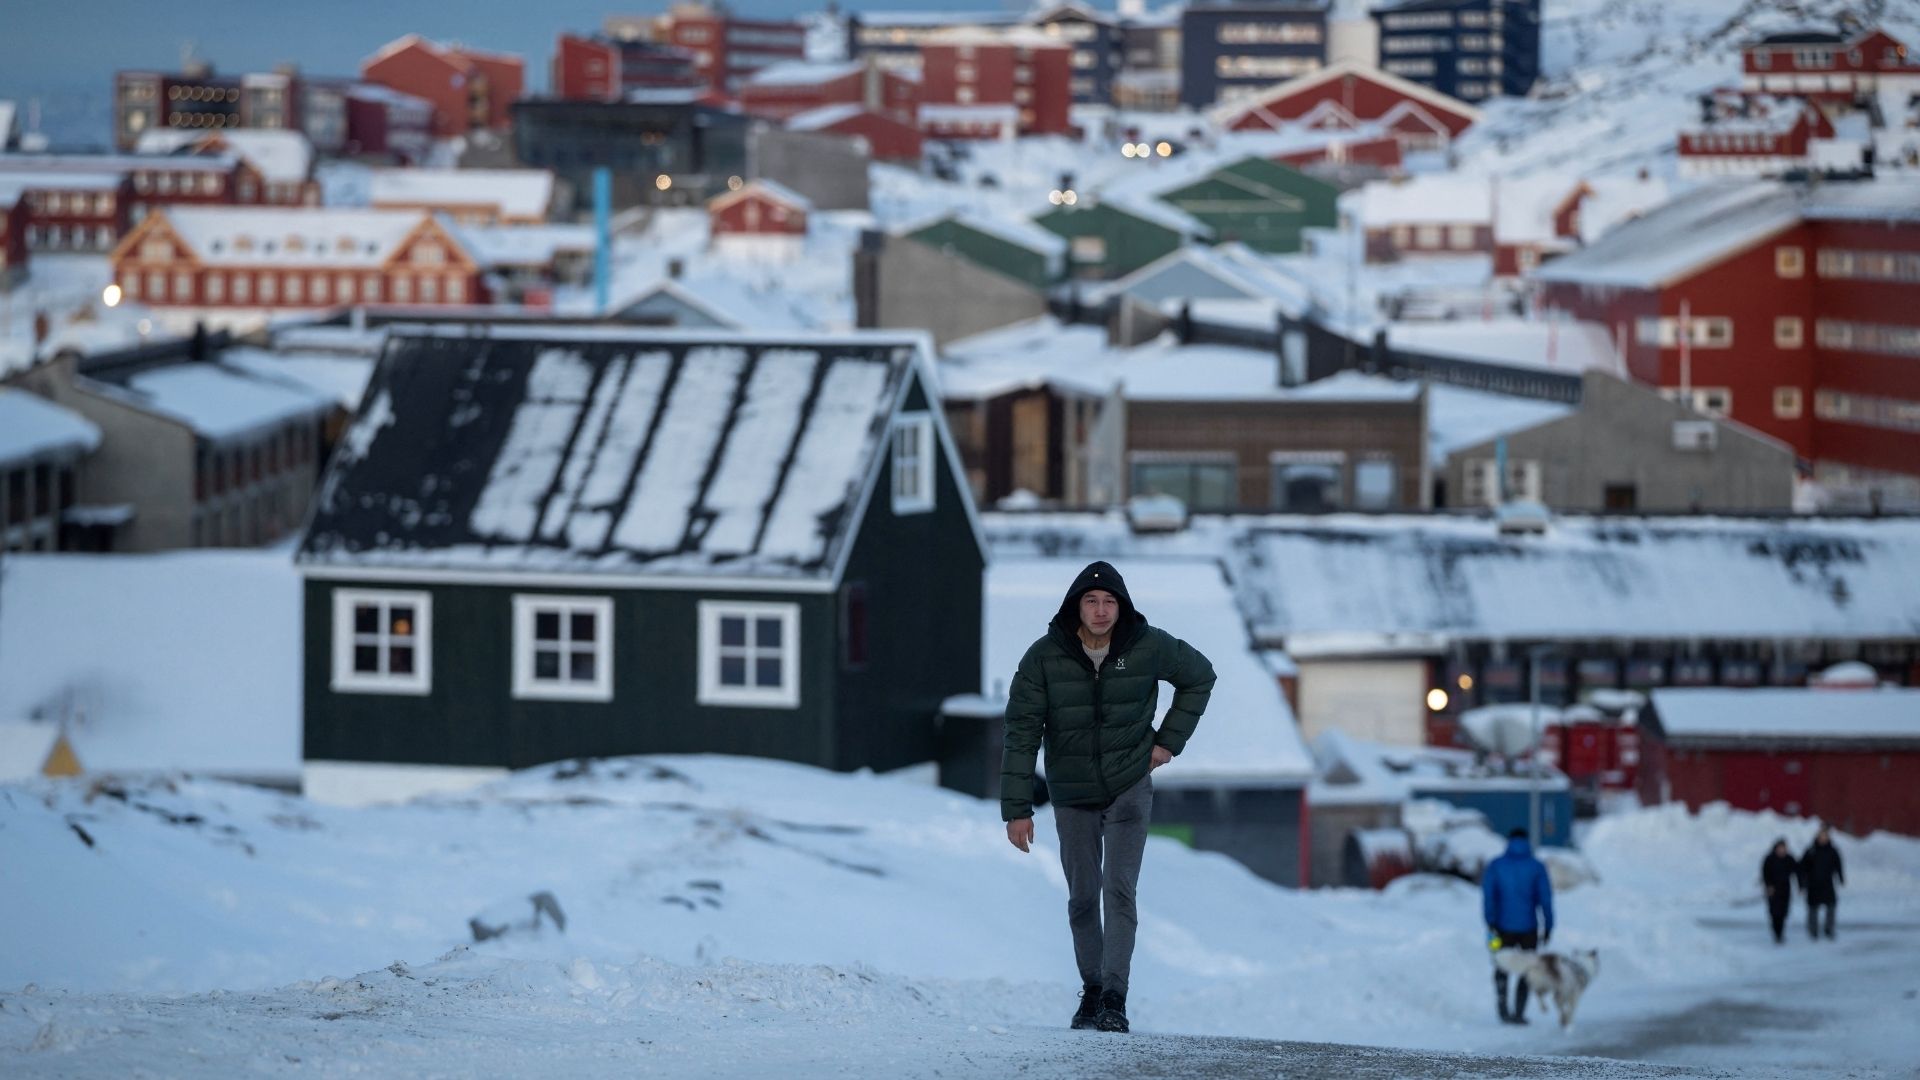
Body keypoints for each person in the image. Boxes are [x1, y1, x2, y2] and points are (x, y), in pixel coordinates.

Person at [1000, 560, 1216, 1035]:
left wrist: (1166, 743)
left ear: (1122, 606)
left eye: (1110, 602)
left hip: (1129, 786)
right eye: (1092, 601)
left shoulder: (1148, 645)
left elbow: (1200, 676)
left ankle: (1115, 998)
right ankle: (1092, 989)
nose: (1101, 611)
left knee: (1119, 892)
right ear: (1076, 605)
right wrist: (1017, 809)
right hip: (1072, 791)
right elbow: (1020, 733)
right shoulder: (1043, 657)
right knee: (1082, 897)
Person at [1482, 827, 1555, 1025]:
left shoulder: (1496, 865)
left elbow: (1489, 896)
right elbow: (1546, 900)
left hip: (1500, 928)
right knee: (1527, 968)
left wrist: (1490, 921)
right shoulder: (1536, 866)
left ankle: (1503, 1009)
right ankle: (1519, 1013)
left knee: (1500, 964)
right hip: (1529, 928)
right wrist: (1548, 926)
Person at [1799, 825, 1845, 940]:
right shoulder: (1810, 851)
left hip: (1827, 884)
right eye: (1821, 836)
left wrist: (1841, 877)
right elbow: (1802, 867)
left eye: (1825, 836)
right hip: (1813, 884)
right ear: (1817, 837)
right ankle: (1813, 930)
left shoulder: (1833, 851)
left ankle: (1829, 929)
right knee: (1813, 909)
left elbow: (1838, 865)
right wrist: (1802, 882)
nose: (1823, 838)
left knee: (1831, 906)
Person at [1761, 838, 1798, 944]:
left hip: (1785, 890)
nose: (1782, 850)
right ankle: (1776, 933)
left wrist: (1801, 885)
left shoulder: (1789, 859)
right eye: (1780, 848)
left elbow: (1797, 871)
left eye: (1783, 848)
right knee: (1774, 913)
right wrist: (1768, 886)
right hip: (1773, 890)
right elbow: (1765, 874)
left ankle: (1780, 933)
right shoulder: (1769, 859)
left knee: (1783, 913)